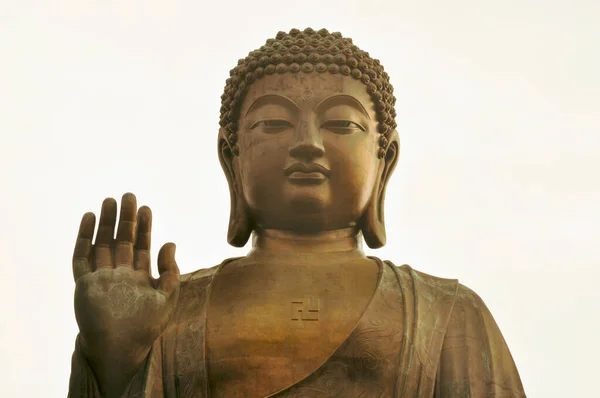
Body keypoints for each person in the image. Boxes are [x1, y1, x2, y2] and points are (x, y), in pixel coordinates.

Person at [69, 28, 526, 397]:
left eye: (341, 123)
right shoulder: (169, 311)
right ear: (232, 158)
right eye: (274, 123)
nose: (307, 142)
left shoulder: (449, 314)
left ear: (384, 159)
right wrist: (115, 362)